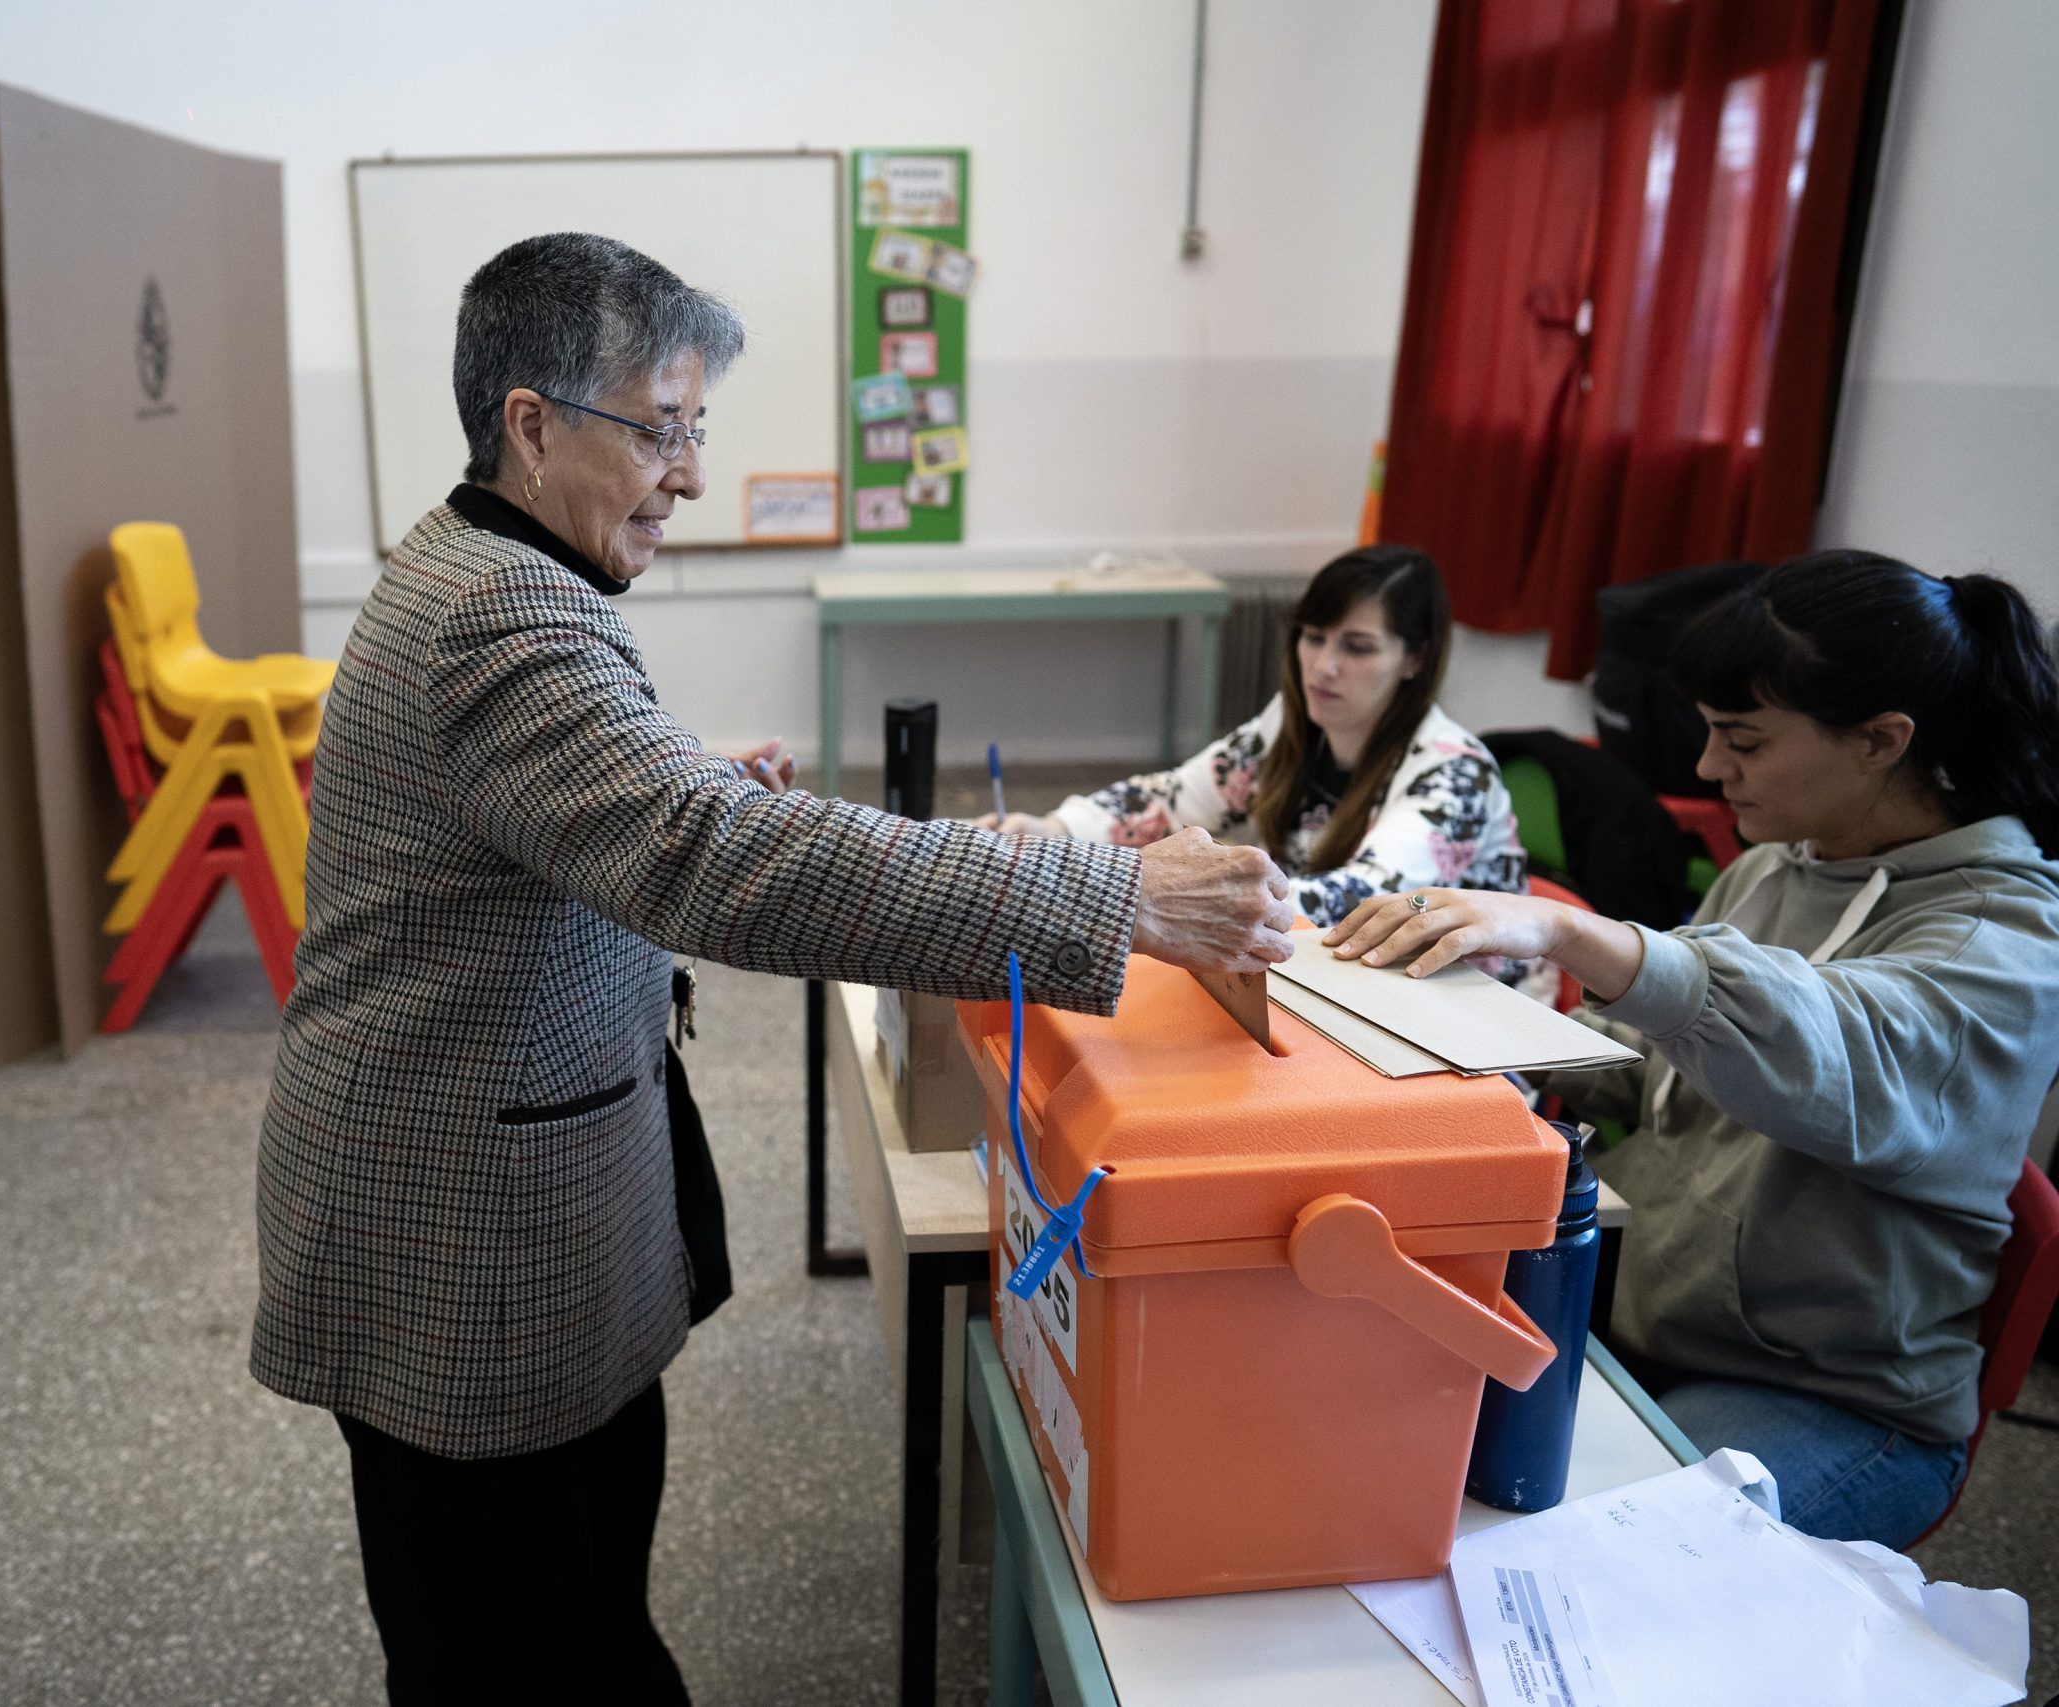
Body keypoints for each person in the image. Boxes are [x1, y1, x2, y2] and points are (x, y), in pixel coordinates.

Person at [252, 232, 1297, 1705]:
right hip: (460, 1233)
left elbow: (626, 807)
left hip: (495, 1168)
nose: (686, 471)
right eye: (659, 429)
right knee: (522, 1645)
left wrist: (691, 779)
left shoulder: (489, 567)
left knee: (575, 1585)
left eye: (697, 431)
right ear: (532, 424)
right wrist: (1109, 891)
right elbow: (713, 855)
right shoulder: (500, 617)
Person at [1323, 550, 2059, 1549]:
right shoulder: (1770, 870)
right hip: (1644, 1328)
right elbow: (1641, 1065)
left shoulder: (2007, 941)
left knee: (1560, 1559)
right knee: (1365, 1441)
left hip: (1835, 1403)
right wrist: (1461, 1045)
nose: (1709, 770)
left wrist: (1592, 941)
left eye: (1741, 741)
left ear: (1882, 740)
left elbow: (1832, 1049)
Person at [982, 545, 1527, 929]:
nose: (1323, 666)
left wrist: (1183, 897)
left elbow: (1368, 900)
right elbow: (1173, 800)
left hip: (1466, 1021)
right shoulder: (1292, 723)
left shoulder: (1456, 774)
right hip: (1335, 975)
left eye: (1356, 647)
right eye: (1313, 638)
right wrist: (1054, 828)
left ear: (1415, 658)